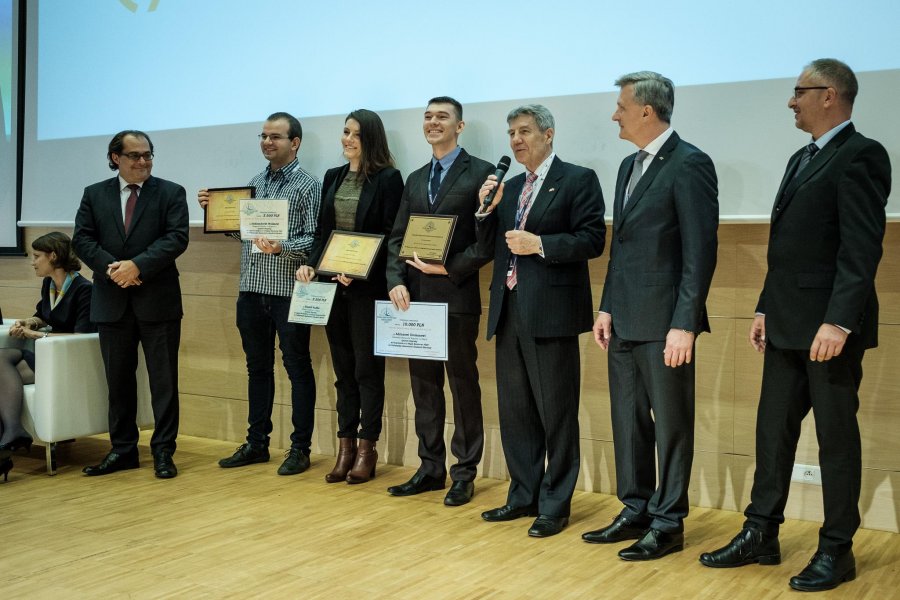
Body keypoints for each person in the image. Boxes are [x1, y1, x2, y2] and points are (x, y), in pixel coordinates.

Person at [699, 59, 890, 592]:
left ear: (829, 95)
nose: (790, 101)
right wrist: (763, 306)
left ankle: (837, 550)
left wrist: (838, 322)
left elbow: (860, 248)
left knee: (835, 442)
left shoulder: (862, 155)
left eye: (798, 92)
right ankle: (761, 532)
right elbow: (787, 250)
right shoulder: (800, 157)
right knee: (772, 435)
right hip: (785, 324)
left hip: (829, 334)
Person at [583, 72, 719, 560]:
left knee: (671, 425)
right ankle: (635, 507)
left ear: (646, 111)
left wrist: (684, 324)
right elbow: (622, 248)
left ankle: (668, 521)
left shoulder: (690, 164)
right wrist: (607, 305)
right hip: (623, 319)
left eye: (621, 105)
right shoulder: (626, 166)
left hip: (666, 325)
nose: (614, 114)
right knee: (628, 420)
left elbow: (699, 254)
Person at [477, 104, 606, 537]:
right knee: (516, 412)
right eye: (511, 132)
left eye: (525, 131)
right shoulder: (509, 187)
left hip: (551, 314)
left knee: (557, 414)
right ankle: (522, 496)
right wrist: (484, 210)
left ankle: (555, 504)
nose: (516, 140)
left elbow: (592, 239)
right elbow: (490, 244)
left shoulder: (578, 179)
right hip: (509, 310)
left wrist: (541, 244)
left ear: (548, 134)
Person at [199, 112, 321, 476]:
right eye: (264, 136)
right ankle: (257, 443)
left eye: (276, 137)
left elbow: (314, 240)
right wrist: (216, 214)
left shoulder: (308, 185)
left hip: (289, 291)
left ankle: (300, 448)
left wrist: (280, 248)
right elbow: (246, 233)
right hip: (251, 290)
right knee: (257, 369)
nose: (268, 142)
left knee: (297, 368)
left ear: (295, 142)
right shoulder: (254, 183)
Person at [385, 96, 493, 506]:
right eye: (428, 116)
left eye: (442, 117)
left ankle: (463, 472)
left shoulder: (481, 174)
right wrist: (396, 281)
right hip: (414, 302)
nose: (433, 122)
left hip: (456, 297)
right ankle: (429, 468)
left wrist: (449, 269)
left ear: (459, 127)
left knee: (463, 386)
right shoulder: (414, 178)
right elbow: (398, 237)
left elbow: (486, 243)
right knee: (424, 388)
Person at [73, 130, 189, 479]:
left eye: (148, 155)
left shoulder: (170, 192)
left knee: (163, 382)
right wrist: (114, 269)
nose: (143, 162)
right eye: (135, 156)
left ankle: (163, 452)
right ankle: (122, 450)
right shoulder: (94, 194)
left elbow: (176, 237)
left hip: (158, 300)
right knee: (118, 382)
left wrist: (137, 265)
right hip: (111, 301)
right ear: (115, 158)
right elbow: (82, 239)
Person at [296, 109, 403, 484]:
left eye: (355, 134)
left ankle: (366, 448)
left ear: (370, 138)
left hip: (366, 288)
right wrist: (311, 265)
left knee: (367, 371)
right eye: (344, 132)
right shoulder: (333, 176)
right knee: (344, 372)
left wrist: (360, 271)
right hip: (331, 287)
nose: (347, 139)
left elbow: (392, 235)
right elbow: (325, 233)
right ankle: (344, 447)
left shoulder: (389, 179)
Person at [0, 233, 96, 480]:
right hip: (47, 359)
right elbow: (43, 315)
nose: (33, 262)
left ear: (53, 256)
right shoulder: (50, 284)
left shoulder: (84, 289)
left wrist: (33, 335)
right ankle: (9, 439)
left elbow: (78, 337)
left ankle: (11, 434)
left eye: (37, 256)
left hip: (67, 363)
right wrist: (27, 322)